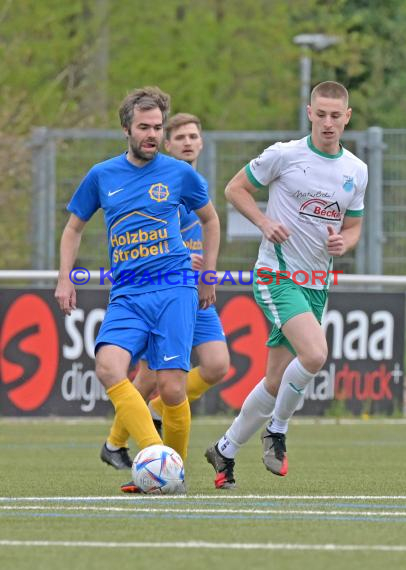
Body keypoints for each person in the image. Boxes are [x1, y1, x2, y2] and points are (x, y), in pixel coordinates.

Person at [205, 81, 368, 489]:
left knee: (276, 381)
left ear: (347, 117)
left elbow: (353, 228)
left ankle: (224, 450)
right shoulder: (285, 155)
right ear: (309, 112)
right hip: (276, 275)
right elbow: (233, 188)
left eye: (336, 115)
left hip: (316, 284)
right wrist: (263, 222)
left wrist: (342, 243)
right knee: (315, 354)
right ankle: (277, 429)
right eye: (322, 114)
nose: (328, 123)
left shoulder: (356, 170)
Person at [55, 87, 220, 474]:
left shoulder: (179, 173)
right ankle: (157, 460)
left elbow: (211, 220)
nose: (152, 135)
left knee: (172, 389)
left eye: (158, 128)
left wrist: (208, 274)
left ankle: (167, 472)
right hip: (128, 293)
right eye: (144, 127)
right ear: (126, 129)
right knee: (109, 366)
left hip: (174, 288)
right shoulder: (102, 175)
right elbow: (73, 228)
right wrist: (65, 277)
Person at [100, 113, 230, 481]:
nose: (189, 142)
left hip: (191, 289)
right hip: (160, 286)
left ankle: (154, 413)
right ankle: (114, 443)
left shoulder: (192, 181)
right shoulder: (154, 178)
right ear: (166, 144)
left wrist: (206, 271)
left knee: (217, 365)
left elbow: (211, 223)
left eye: (194, 136)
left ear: (202, 142)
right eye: (180, 137)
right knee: (148, 375)